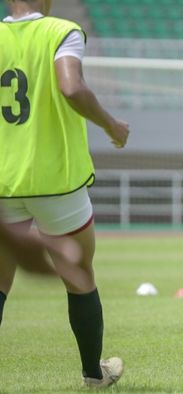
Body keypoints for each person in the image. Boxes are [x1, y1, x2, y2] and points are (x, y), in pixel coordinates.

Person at [0, 0, 129, 388]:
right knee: (78, 275)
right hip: (56, 180)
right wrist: (111, 125)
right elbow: (70, 86)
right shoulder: (61, 31)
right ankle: (94, 373)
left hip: (3, 179)